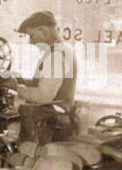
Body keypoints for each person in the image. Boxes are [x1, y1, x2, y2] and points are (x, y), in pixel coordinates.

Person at [13, 10, 77, 142]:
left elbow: (44, 96)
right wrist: (19, 79)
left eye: (32, 36)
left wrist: (16, 87)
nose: (31, 41)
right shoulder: (64, 48)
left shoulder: (55, 56)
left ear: (44, 31)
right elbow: (46, 83)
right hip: (54, 123)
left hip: (48, 128)